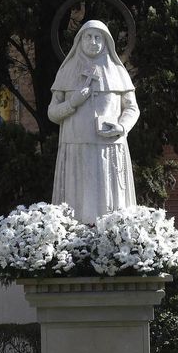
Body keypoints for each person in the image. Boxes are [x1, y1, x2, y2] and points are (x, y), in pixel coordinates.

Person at [48, 19, 139, 223]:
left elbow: (132, 108)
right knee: (76, 206)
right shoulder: (66, 72)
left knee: (109, 205)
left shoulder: (118, 72)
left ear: (106, 42)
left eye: (98, 37)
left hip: (109, 148)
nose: (93, 41)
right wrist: (72, 102)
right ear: (79, 41)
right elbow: (53, 113)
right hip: (75, 148)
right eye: (88, 36)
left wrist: (122, 126)